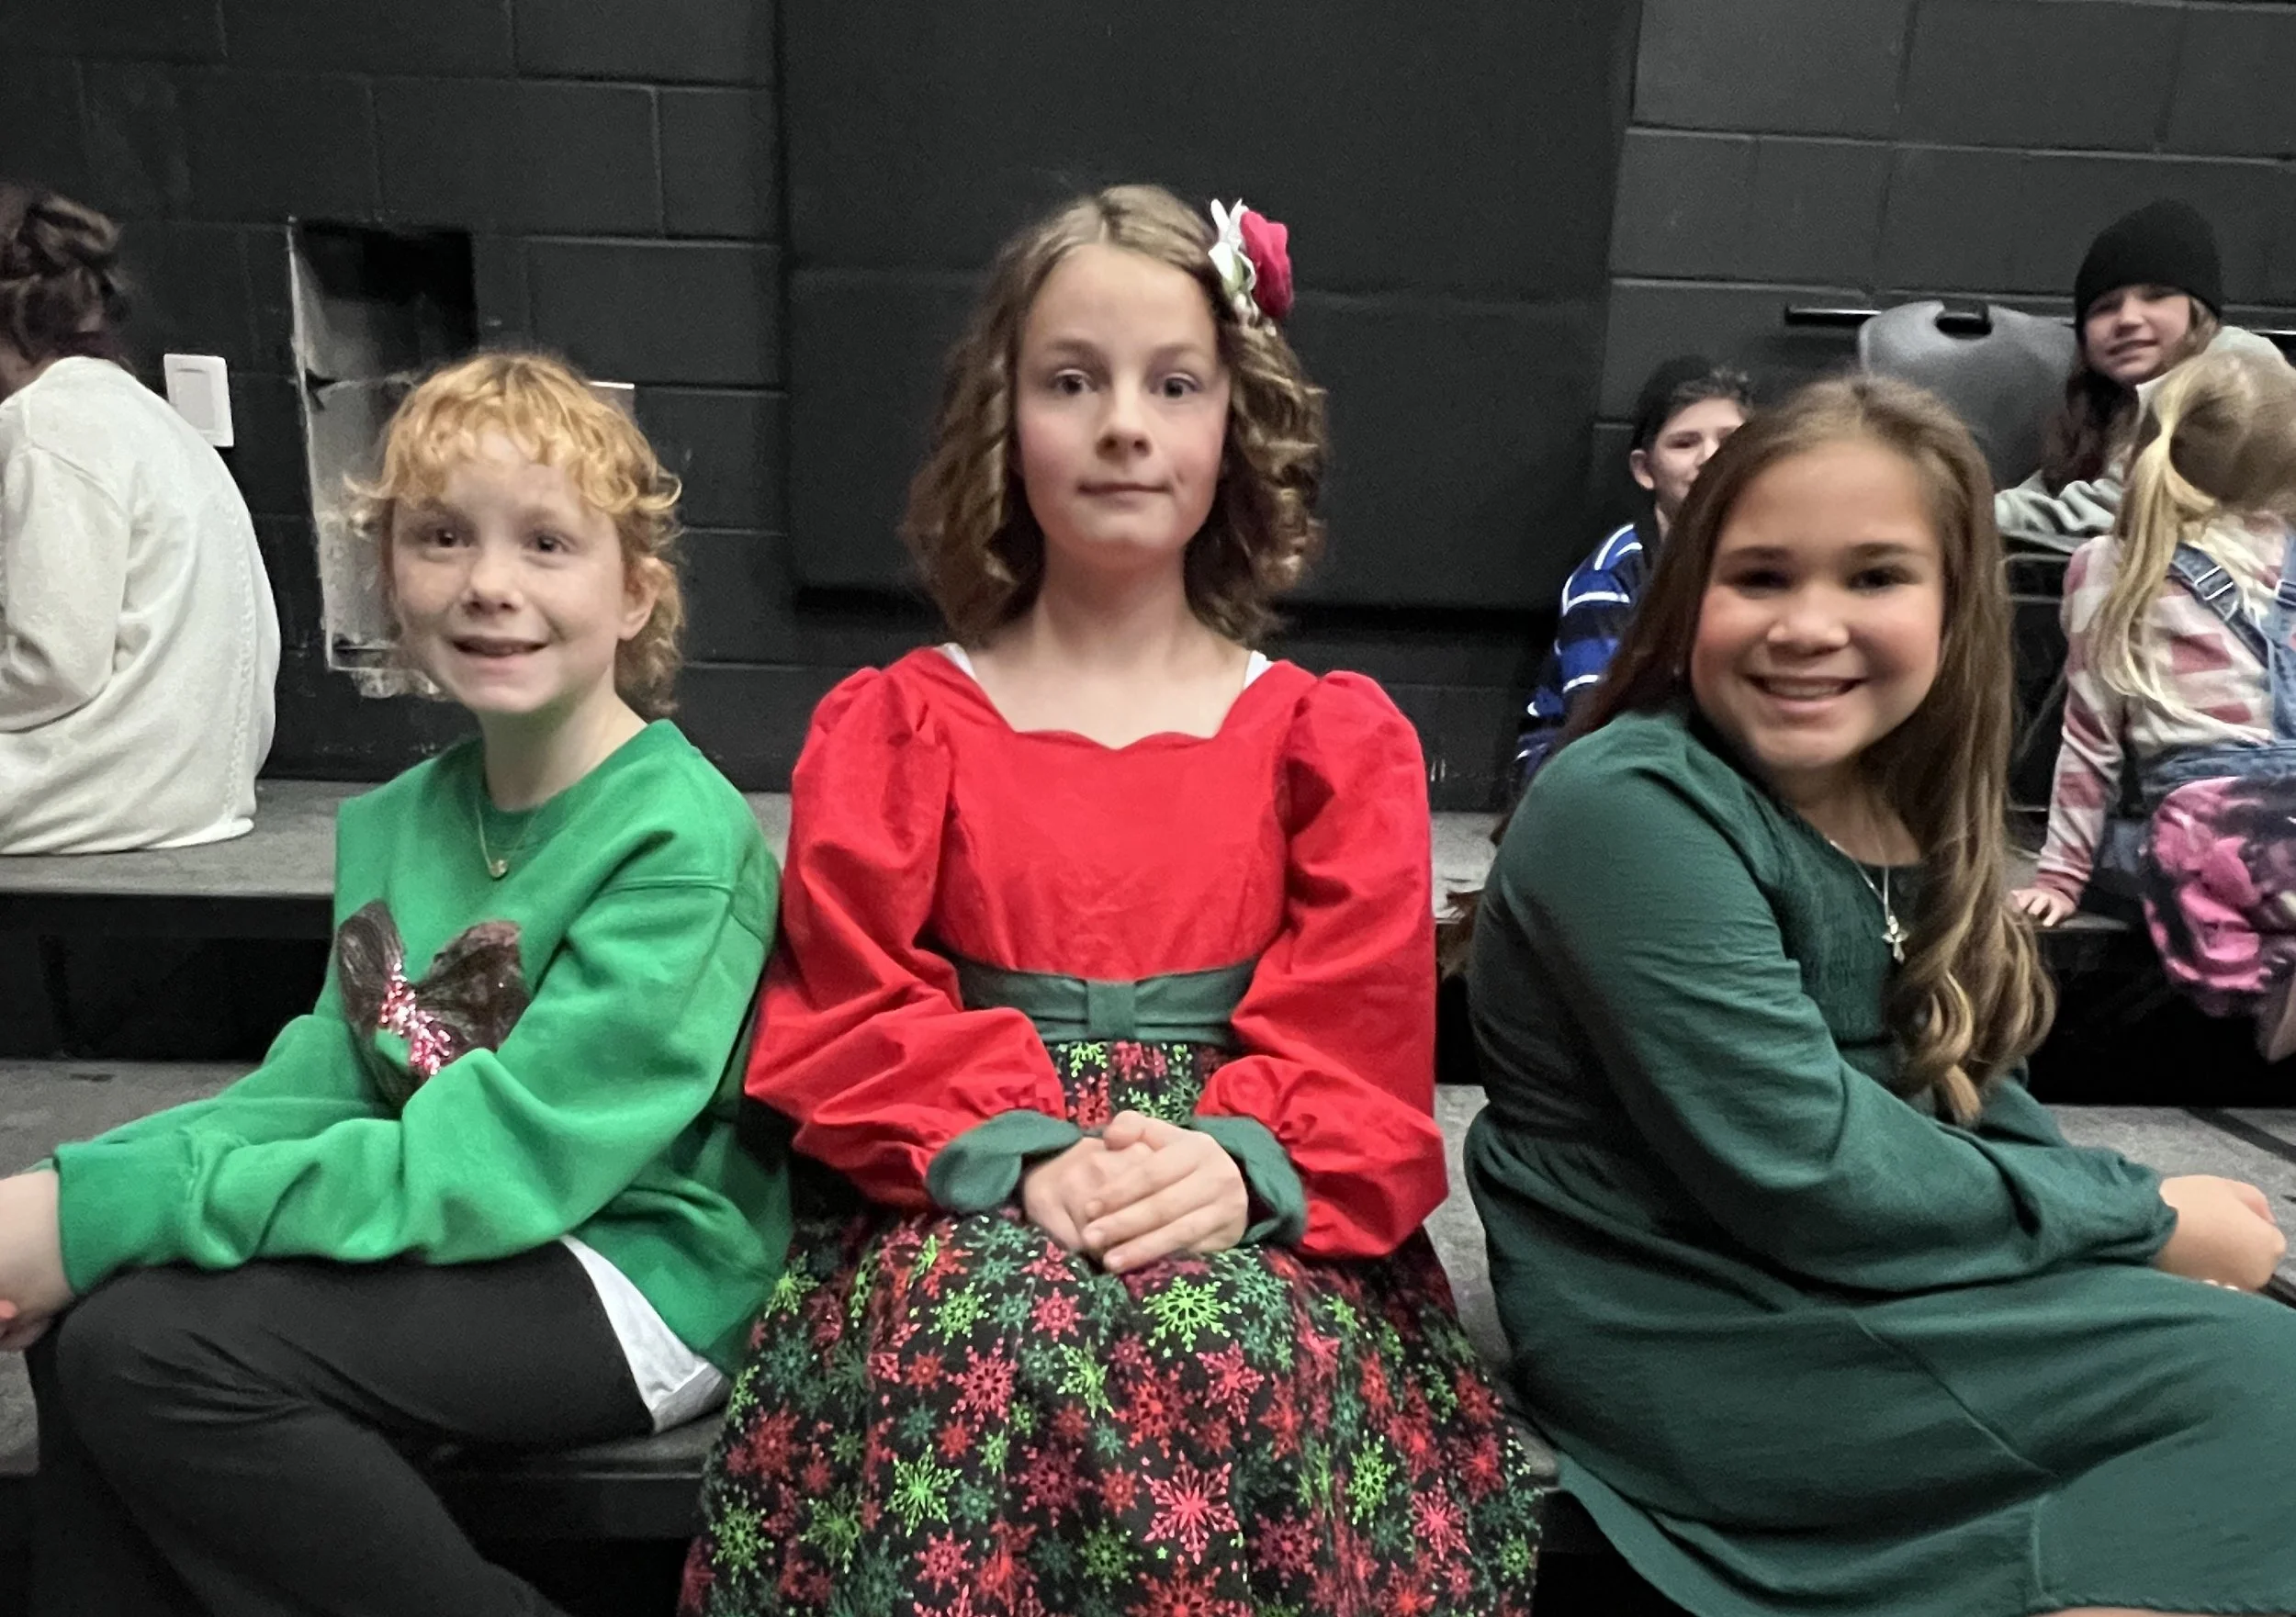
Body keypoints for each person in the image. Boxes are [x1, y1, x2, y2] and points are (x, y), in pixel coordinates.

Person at [682, 185, 1547, 1617]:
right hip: (964, 1172)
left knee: (1229, 1345)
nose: (1125, 424)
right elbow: (851, 1001)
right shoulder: (903, 722)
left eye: (1174, 384)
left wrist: (1235, 1160)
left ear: (1235, 425)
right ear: (1003, 422)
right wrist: (1023, 1155)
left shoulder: (1326, 737)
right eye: (1072, 381)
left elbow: (1358, 1035)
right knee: (976, 1337)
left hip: (1247, 1174)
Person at [1466, 374, 2296, 1617]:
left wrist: (2118, 1235)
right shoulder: (1627, 805)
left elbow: (1969, 1099)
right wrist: (2139, 1215)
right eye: (1760, 577)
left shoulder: (1895, 798)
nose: (1809, 624)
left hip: (1866, 1279)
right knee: (2268, 1399)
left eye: (1873, 577)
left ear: (1957, 604)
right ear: (1689, 598)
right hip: (1697, 1323)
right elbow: (1803, 1164)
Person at [0, 351, 788, 1617]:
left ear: (635, 593)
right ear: (390, 577)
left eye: (545, 542)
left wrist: (101, 1216)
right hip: (462, 1227)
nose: (489, 583)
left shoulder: (679, 844)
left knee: (156, 1351)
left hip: (631, 1269)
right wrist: (64, 1199)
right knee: (90, 1329)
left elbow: (496, 1172)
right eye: (441, 537)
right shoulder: (398, 822)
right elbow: (316, 1084)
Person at [2013, 348, 2296, 1059]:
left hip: (2205, 830)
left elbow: (2089, 741)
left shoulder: (2108, 566)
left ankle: (2266, 979)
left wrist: (2060, 875)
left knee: (2137, 842)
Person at [0, 181, 279, 852]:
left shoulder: (46, 423)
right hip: (197, 785)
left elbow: (52, 667)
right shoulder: (142, 412)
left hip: (110, 788)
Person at [1996, 198, 2285, 554]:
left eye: (2156, 297)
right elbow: (2043, 494)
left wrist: (1959, 518)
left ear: (2199, 312)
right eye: (2105, 307)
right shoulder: (2107, 403)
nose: (2128, 319)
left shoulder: (2237, 368)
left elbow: (2119, 509)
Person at [1514, 357, 1751, 783]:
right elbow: (1600, 718)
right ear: (1645, 470)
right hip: (1590, 766)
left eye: (1730, 440)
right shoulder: (1610, 576)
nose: (1710, 458)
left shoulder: (1769, 560)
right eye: (1684, 443)